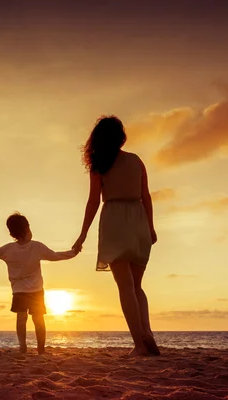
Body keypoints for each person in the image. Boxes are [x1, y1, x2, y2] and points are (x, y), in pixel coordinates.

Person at [72, 116, 160, 357]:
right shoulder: (136, 161)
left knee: (125, 287)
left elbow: (92, 202)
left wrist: (82, 235)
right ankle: (148, 332)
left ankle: (140, 345)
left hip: (114, 222)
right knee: (137, 286)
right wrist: (150, 228)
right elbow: (146, 197)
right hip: (139, 221)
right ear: (121, 136)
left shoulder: (100, 164)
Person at [0, 212, 77, 354]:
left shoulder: (9, 249)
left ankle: (24, 347)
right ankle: (40, 350)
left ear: (11, 233)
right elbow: (56, 256)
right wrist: (73, 252)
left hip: (21, 291)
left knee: (22, 321)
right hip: (33, 291)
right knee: (38, 320)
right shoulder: (36, 247)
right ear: (27, 229)